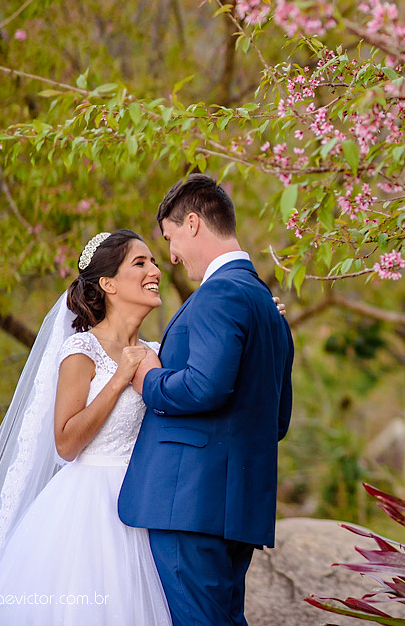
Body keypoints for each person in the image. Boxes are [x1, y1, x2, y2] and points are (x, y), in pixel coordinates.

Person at [0, 229, 173, 625]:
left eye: (154, 261)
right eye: (141, 263)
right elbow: (65, 443)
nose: (155, 269)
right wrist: (119, 379)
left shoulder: (157, 352)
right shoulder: (81, 349)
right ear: (108, 283)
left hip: (145, 503)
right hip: (89, 512)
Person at [118, 174, 295, 626]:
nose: (171, 255)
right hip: (236, 508)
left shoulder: (220, 293)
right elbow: (277, 419)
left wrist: (148, 377)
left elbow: (204, 386)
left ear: (193, 223)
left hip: (190, 503)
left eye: (171, 237)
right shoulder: (266, 307)